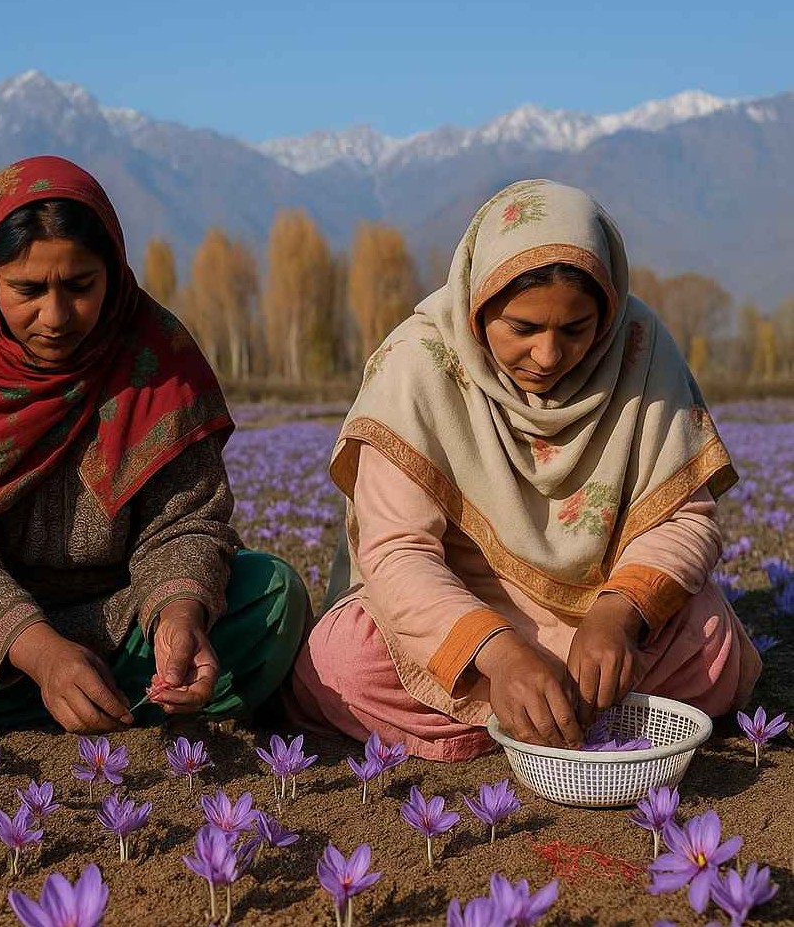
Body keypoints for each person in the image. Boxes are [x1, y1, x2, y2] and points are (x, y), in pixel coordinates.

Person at [286, 179, 761, 762]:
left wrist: (618, 615)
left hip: (599, 611)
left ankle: (526, 719)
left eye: (576, 329)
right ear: (478, 305)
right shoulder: (417, 366)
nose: (549, 356)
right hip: (461, 612)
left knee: (708, 641)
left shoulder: (640, 349)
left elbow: (685, 516)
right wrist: (501, 652)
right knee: (347, 663)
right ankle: (558, 714)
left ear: (607, 314)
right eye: (523, 329)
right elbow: (397, 552)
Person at [0, 155, 308, 734]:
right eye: (28, 289)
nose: (55, 316)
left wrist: (178, 617)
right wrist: (41, 653)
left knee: (275, 594)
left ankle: (104, 697)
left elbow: (184, 524)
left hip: (123, 617)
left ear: (112, 270)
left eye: (80, 286)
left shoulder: (155, 354)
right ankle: (116, 705)